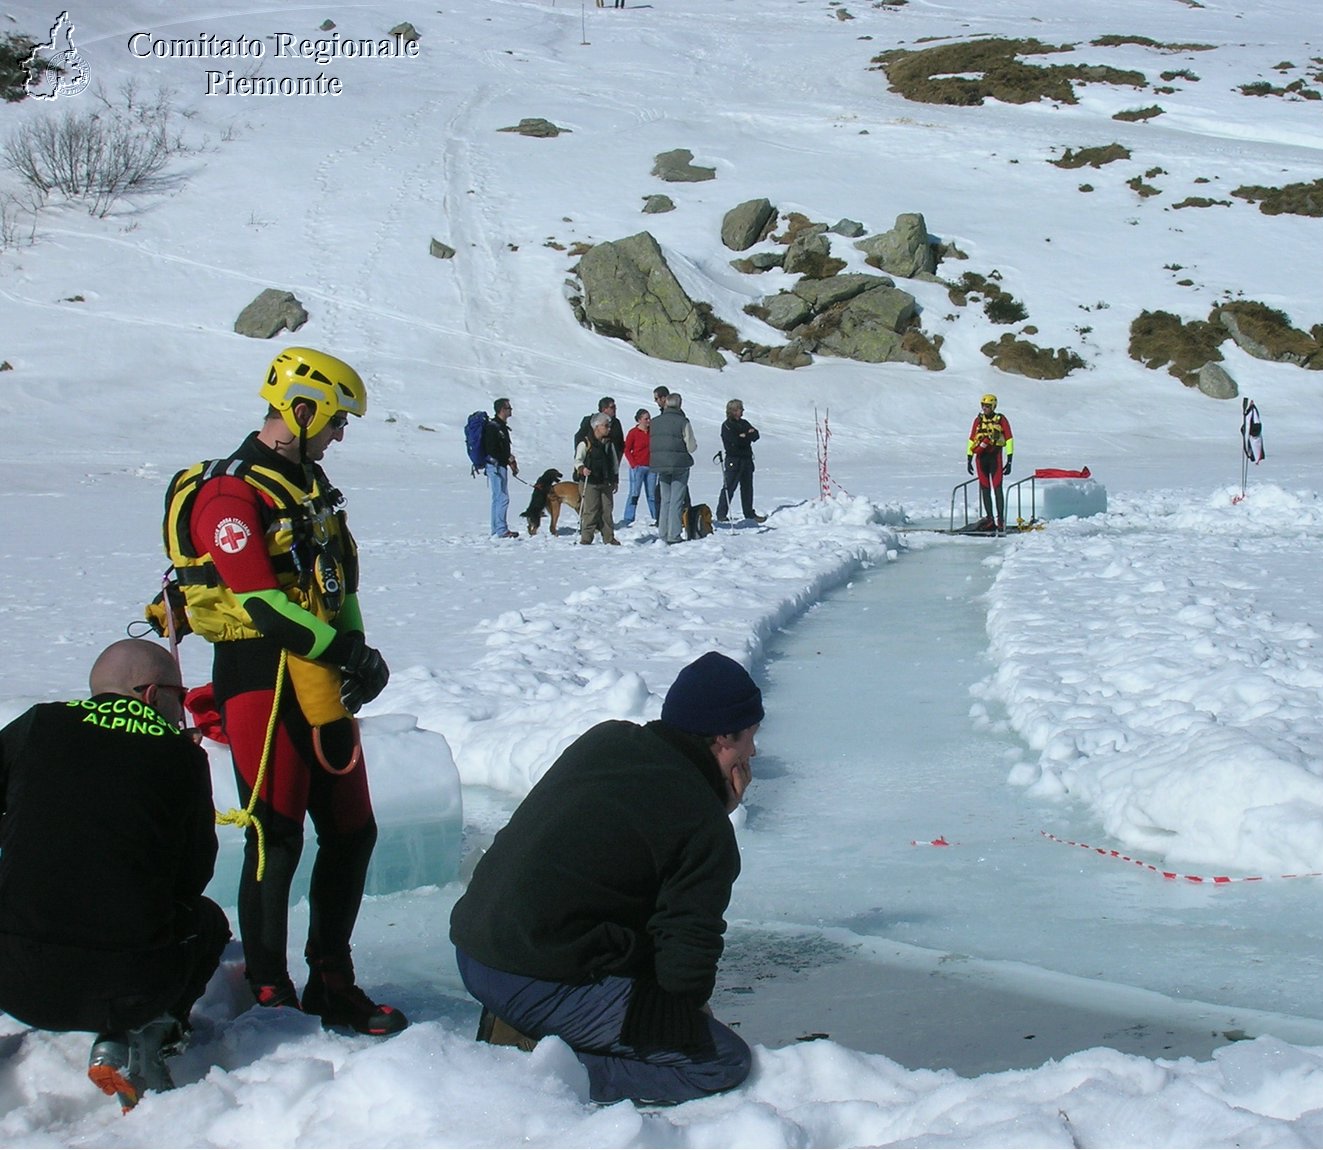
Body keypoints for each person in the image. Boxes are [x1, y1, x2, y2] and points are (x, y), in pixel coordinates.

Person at [179, 347, 407, 1036]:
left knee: (353, 830)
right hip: (258, 675)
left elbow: (337, 581)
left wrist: (357, 650)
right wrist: (345, 650)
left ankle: (331, 980)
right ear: (302, 410)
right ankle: (270, 990)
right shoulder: (230, 494)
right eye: (337, 422)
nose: (340, 437)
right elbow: (261, 604)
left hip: (316, 671)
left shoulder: (309, 486)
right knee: (275, 837)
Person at [451, 651, 762, 1106]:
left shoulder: (608, 740)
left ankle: (527, 1024)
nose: (753, 752)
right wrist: (685, 1023)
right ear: (722, 738)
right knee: (721, 1061)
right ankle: (539, 1064)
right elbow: (685, 972)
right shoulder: (701, 823)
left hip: (475, 947)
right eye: (750, 737)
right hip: (527, 974)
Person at [0, 639, 230, 1111]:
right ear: (150, 694)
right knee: (208, 924)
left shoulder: (39, 724)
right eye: (178, 696)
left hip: (13, 980)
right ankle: (150, 1034)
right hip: (130, 988)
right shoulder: (181, 757)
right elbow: (194, 874)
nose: (181, 709)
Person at [652, 392, 697, 544]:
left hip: (660, 463)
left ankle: (663, 533)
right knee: (677, 500)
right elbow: (691, 446)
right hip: (679, 464)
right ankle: (674, 534)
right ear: (679, 404)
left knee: (665, 499)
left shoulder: (655, 421)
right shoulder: (683, 421)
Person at [965, 393, 1014, 530]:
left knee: (997, 488)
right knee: (985, 489)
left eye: (987, 406)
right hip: (981, 459)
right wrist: (969, 458)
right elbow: (971, 438)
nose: (984, 408)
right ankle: (990, 518)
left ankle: (1000, 520)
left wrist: (1009, 460)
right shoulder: (978, 420)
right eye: (983, 405)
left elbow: (1009, 438)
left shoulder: (1001, 419)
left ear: (993, 406)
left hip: (995, 458)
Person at [575, 411, 622, 545]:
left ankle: (609, 537)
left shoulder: (609, 443)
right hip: (590, 482)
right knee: (591, 510)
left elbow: (614, 462)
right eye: (606, 426)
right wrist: (582, 469)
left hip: (606, 481)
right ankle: (586, 538)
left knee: (607, 510)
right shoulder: (585, 443)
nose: (609, 429)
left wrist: (615, 479)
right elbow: (578, 459)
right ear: (596, 427)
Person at [715, 400, 762, 523]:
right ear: (733, 410)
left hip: (746, 459)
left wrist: (745, 435)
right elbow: (734, 442)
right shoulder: (727, 425)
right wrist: (746, 436)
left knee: (747, 488)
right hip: (734, 460)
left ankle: (749, 514)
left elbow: (756, 435)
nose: (742, 411)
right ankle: (721, 514)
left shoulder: (744, 423)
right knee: (729, 487)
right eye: (740, 409)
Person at [484, 398, 519, 539]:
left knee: (498, 498)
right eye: (509, 408)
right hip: (496, 466)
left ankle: (496, 528)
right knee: (502, 498)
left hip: (500, 466)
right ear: (502, 410)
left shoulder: (500, 427)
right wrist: (507, 458)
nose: (511, 410)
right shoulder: (494, 427)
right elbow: (492, 449)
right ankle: (501, 529)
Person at [621, 408, 658, 525]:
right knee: (634, 493)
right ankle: (628, 518)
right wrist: (633, 464)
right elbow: (627, 449)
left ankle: (656, 516)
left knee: (652, 494)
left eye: (649, 418)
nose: (648, 421)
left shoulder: (652, 432)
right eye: (646, 419)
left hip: (651, 467)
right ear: (639, 420)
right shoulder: (633, 433)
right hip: (638, 467)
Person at [573, 397, 625, 471]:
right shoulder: (589, 421)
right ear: (604, 409)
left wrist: (616, 464)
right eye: (612, 407)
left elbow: (620, 444)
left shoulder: (616, 423)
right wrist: (581, 465)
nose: (615, 409)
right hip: (589, 467)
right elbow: (579, 439)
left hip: (608, 465)